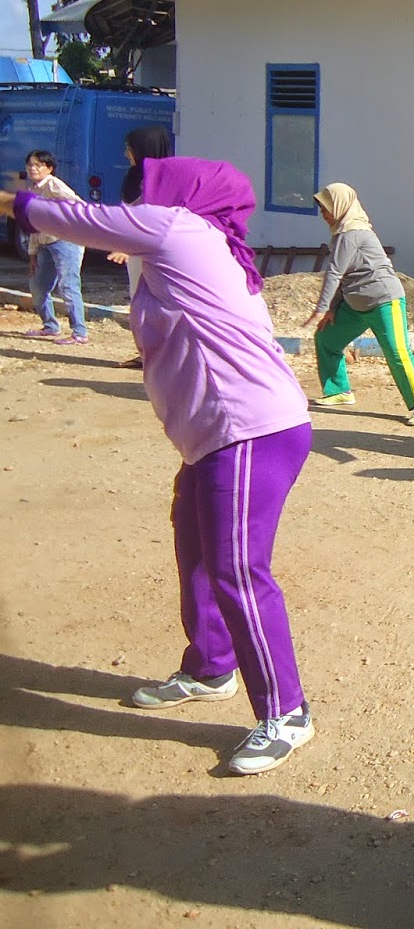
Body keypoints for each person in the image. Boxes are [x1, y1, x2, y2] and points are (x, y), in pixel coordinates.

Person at [0, 157, 317, 774]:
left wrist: (16, 203)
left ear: (182, 193)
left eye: (150, 186)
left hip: (250, 430)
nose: (141, 195)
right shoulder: (192, 245)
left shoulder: (178, 230)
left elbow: (77, 218)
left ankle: (288, 711)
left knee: (238, 568)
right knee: (194, 542)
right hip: (215, 434)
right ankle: (211, 665)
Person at [301, 183, 414, 428]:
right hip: (355, 303)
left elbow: (335, 273)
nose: (322, 213)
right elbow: (346, 275)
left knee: (398, 353)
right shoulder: (341, 234)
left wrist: (321, 306)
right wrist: (332, 309)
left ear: (340, 206)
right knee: (327, 338)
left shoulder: (353, 233)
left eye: (325, 207)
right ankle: (340, 391)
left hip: (383, 301)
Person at [109, 125, 176, 368]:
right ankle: (146, 352)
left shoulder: (163, 177)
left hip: (156, 251)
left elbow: (154, 217)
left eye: (131, 148)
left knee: (161, 302)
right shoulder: (135, 175)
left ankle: (165, 354)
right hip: (134, 249)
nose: (127, 153)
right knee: (139, 301)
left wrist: (129, 247)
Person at [20, 151, 88, 345]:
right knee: (38, 285)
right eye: (30, 165)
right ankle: (50, 325)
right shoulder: (32, 189)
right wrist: (32, 254)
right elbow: (32, 223)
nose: (33, 168)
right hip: (44, 243)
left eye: (38, 165)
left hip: (64, 241)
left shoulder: (53, 185)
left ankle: (79, 332)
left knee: (68, 285)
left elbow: (78, 204)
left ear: (49, 168)